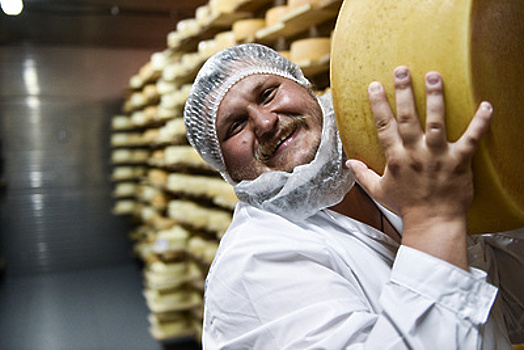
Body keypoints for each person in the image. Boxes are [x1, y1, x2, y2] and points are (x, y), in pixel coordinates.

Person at [184, 43, 524, 349]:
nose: (265, 121)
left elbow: (507, 311)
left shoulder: (384, 174)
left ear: (306, 88)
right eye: (235, 126)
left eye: (268, 94)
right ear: (225, 166)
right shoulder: (251, 266)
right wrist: (432, 219)